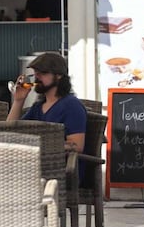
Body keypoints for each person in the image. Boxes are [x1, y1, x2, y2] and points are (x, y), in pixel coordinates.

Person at [7, 52, 87, 180]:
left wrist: (38, 147)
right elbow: (10, 131)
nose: (37, 78)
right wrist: (18, 100)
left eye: (42, 73)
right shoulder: (38, 107)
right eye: (36, 73)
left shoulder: (71, 105)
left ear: (59, 75)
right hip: (35, 169)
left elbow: (77, 146)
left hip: (62, 171)